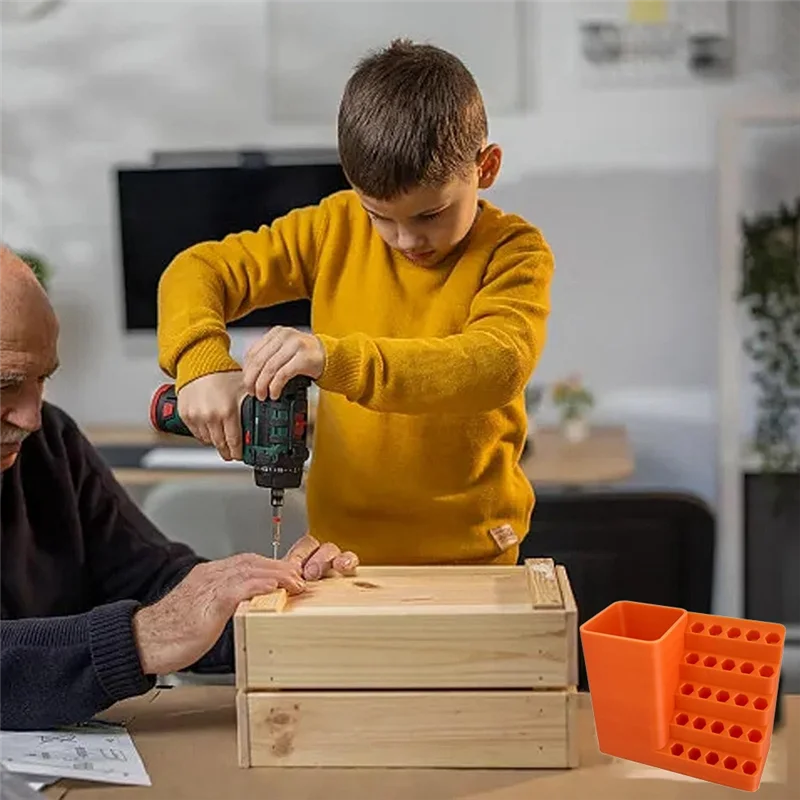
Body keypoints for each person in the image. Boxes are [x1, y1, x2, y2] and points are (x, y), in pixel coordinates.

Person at [157, 39, 555, 568]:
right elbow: (196, 269)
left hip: (474, 556)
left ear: (486, 167)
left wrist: (332, 358)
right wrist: (200, 361)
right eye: (379, 215)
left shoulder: (513, 252)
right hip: (341, 554)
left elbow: (495, 364)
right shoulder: (334, 228)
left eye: (430, 215)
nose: (405, 239)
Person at [0, 246, 359, 731]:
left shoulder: (51, 444)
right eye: (5, 384)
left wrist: (265, 602)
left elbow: (152, 578)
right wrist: (142, 638)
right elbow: (158, 624)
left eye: (43, 378)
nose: (31, 417)